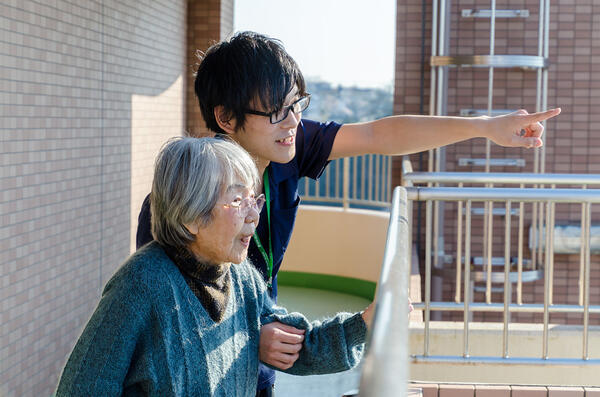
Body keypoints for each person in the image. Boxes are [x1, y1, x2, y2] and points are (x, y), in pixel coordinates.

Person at [136, 31, 561, 395]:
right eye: (275, 112)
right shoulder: (180, 201)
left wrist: (484, 127)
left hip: (259, 341)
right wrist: (245, 337)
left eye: (296, 104)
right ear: (226, 118)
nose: (292, 122)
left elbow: (379, 133)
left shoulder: (287, 150)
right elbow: (169, 323)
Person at [56, 137, 371, 396]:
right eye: (237, 201)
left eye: (254, 198)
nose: (253, 215)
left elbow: (295, 346)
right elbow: (83, 387)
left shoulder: (242, 276)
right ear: (190, 217)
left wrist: (366, 324)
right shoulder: (141, 284)